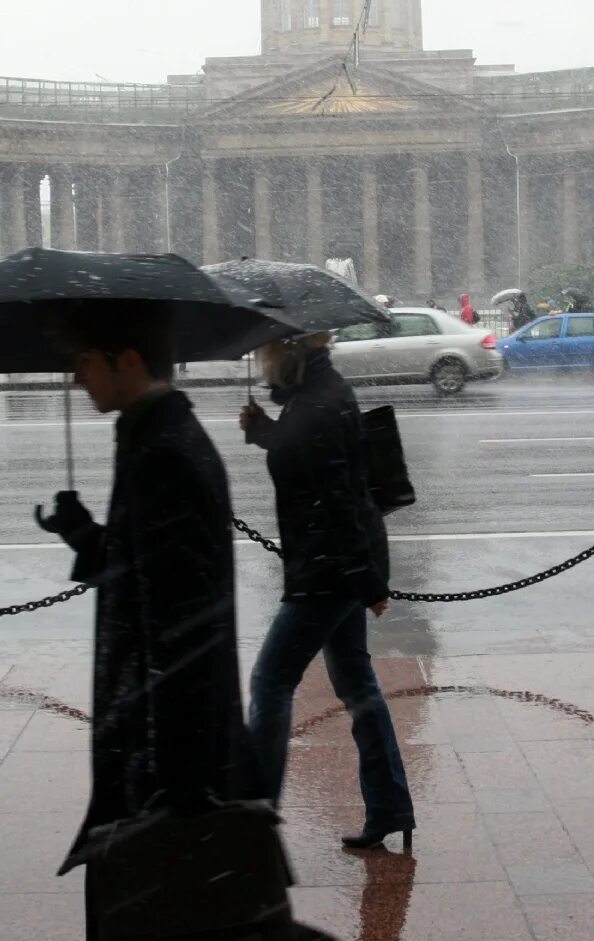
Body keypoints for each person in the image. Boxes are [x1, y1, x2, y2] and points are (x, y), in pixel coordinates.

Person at [37, 304, 267, 934]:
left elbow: (184, 622)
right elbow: (151, 571)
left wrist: (181, 784)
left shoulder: (163, 452)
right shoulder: (153, 437)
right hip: (159, 744)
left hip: (162, 754)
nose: (77, 379)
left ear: (128, 360)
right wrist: (86, 536)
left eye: (84, 363)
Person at [239, 334, 415, 852]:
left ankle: (255, 816)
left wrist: (368, 584)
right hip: (332, 563)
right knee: (358, 685)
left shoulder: (316, 406)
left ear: (288, 351)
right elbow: (310, 463)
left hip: (328, 569)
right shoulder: (315, 398)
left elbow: (339, 503)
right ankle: (389, 807)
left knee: (270, 681)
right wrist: (265, 432)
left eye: (266, 350)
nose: (260, 358)